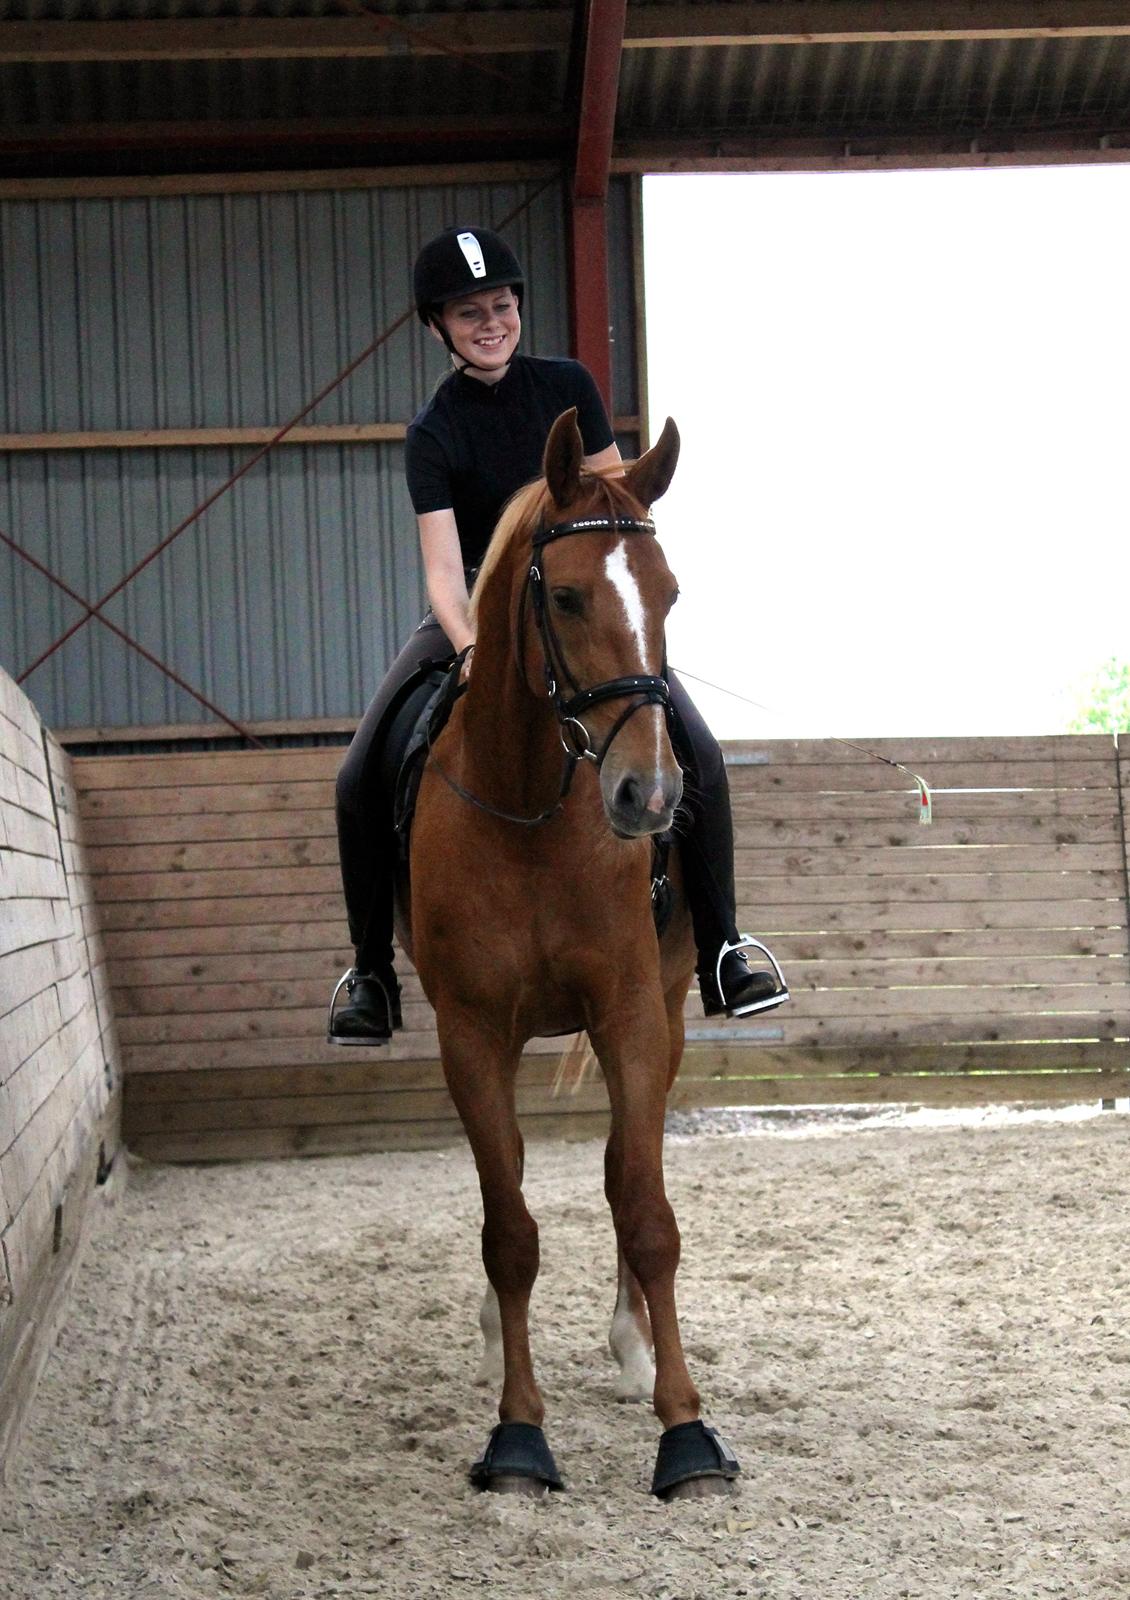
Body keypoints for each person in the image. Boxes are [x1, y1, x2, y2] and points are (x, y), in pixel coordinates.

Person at [330, 225, 788, 1043]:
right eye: (469, 312)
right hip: (477, 619)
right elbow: (442, 569)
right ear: (438, 325)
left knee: (702, 752)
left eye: (501, 305)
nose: (491, 322)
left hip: (579, 609)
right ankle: (370, 971)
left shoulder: (566, 386)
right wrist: (472, 647)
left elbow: (617, 510)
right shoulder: (432, 432)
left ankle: (722, 947)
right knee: (359, 770)